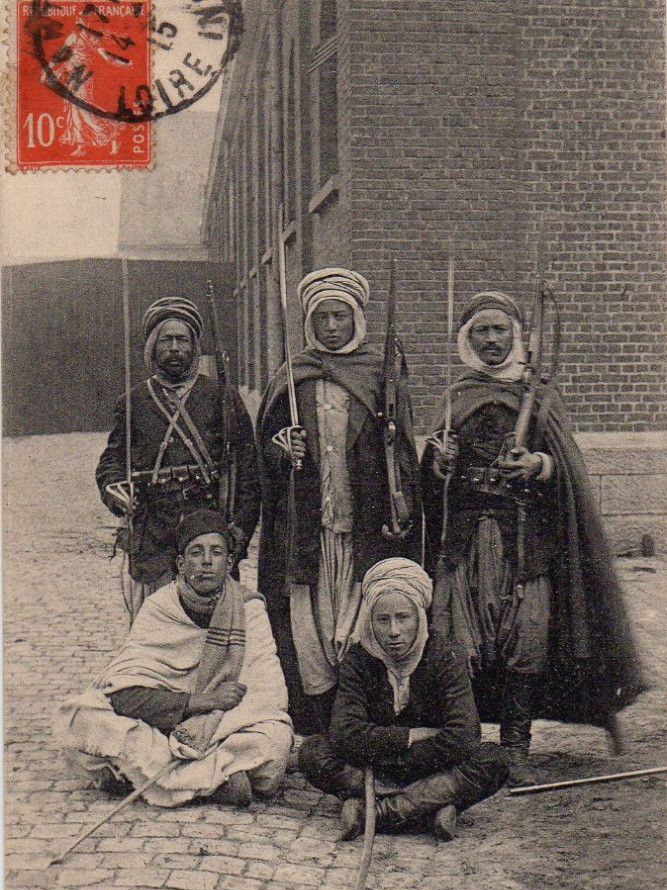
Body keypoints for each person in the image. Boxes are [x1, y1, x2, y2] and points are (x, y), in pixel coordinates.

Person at [420, 290, 645, 783]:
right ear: (468, 338)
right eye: (483, 330)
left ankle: (516, 750)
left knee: (526, 643)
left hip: (526, 542)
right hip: (465, 542)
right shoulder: (456, 396)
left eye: (501, 329)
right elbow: (430, 478)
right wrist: (438, 464)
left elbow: (568, 466)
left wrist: (539, 465)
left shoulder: (538, 396)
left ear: (517, 335)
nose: (492, 339)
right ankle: (469, 746)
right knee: (461, 643)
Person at [256, 268, 422, 733]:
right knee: (310, 628)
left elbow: (404, 452)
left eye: (340, 316)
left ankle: (360, 721)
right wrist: (279, 447)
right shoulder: (293, 378)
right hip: (308, 530)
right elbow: (262, 455)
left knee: (356, 624)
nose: (331, 326)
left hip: (362, 530)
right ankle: (320, 725)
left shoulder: (379, 375)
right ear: (310, 323)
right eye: (322, 317)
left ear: (357, 319)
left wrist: (401, 504)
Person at [57, 510, 292, 808]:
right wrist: (197, 702)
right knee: (81, 717)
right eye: (196, 552)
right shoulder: (159, 607)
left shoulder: (250, 610)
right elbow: (122, 694)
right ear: (181, 564)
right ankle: (215, 783)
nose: (206, 561)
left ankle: (146, 777)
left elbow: (266, 696)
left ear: (229, 563)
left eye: (216, 552)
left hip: (223, 730)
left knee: (274, 740)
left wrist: (209, 723)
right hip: (161, 726)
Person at [298, 558, 509, 840]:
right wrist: (409, 737)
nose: (393, 631)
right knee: (313, 751)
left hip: (416, 764)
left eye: (403, 618)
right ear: (370, 621)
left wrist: (390, 750)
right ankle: (431, 804)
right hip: (385, 768)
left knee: (494, 759)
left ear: (419, 617)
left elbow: (464, 736)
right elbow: (344, 733)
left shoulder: (445, 656)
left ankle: (378, 811)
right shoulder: (359, 659)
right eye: (382, 620)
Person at [96, 296, 260, 606]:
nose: (174, 348)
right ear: (152, 347)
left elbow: (249, 471)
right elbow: (112, 460)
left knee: (212, 629)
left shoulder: (221, 396)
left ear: (194, 345)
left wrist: (239, 529)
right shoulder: (134, 401)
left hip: (208, 529)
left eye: (182, 340)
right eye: (166, 340)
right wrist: (114, 488)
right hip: (154, 530)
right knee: (155, 627)